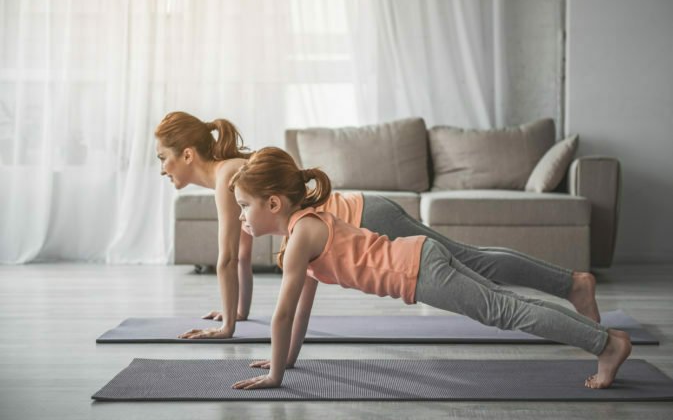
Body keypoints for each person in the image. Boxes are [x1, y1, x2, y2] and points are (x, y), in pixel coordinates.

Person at [155, 111, 600, 340]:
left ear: (188, 154)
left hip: (365, 218)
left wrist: (229, 328)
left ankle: (572, 284)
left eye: (163, 158)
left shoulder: (225, 178)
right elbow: (244, 260)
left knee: (473, 262)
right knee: (473, 260)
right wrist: (237, 315)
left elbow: (228, 259)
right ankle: (570, 285)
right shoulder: (232, 174)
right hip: (364, 210)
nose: (162, 169)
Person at [228, 147, 631, 390]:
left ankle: (606, 344)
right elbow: (299, 311)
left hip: (419, 272)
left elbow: (281, 314)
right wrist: (287, 360)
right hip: (421, 257)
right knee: (505, 302)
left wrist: (276, 377)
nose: (241, 216)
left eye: (245, 206)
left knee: (504, 311)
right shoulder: (304, 227)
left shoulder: (300, 237)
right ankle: (602, 337)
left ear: (275, 203)